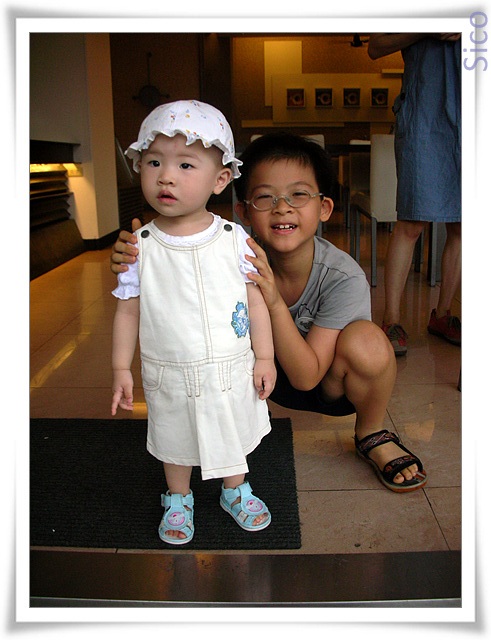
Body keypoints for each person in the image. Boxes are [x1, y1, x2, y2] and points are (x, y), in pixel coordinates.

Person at [112, 131, 428, 494]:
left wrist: (274, 300)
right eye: (265, 197)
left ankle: (371, 431)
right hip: (250, 380)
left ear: (324, 208)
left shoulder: (343, 277)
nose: (282, 208)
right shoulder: (228, 253)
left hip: (323, 382)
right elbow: (172, 280)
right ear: (244, 212)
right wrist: (138, 259)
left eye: (299, 195)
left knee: (369, 342)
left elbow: (306, 379)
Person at [111, 100, 276, 545]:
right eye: (154, 162)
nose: (166, 176)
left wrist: (265, 357)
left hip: (228, 364)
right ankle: (178, 495)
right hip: (169, 368)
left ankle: (235, 488)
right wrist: (120, 367)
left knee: (232, 426)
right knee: (173, 432)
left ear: (220, 180)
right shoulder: (140, 246)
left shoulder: (234, 238)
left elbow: (256, 301)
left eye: (185, 165)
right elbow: (127, 309)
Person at [368, 33, 462, 356]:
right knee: (411, 221)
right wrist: (428, 27)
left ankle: (443, 314)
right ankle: (391, 319)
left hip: (472, 110)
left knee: (463, 225)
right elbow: (375, 46)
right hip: (424, 111)